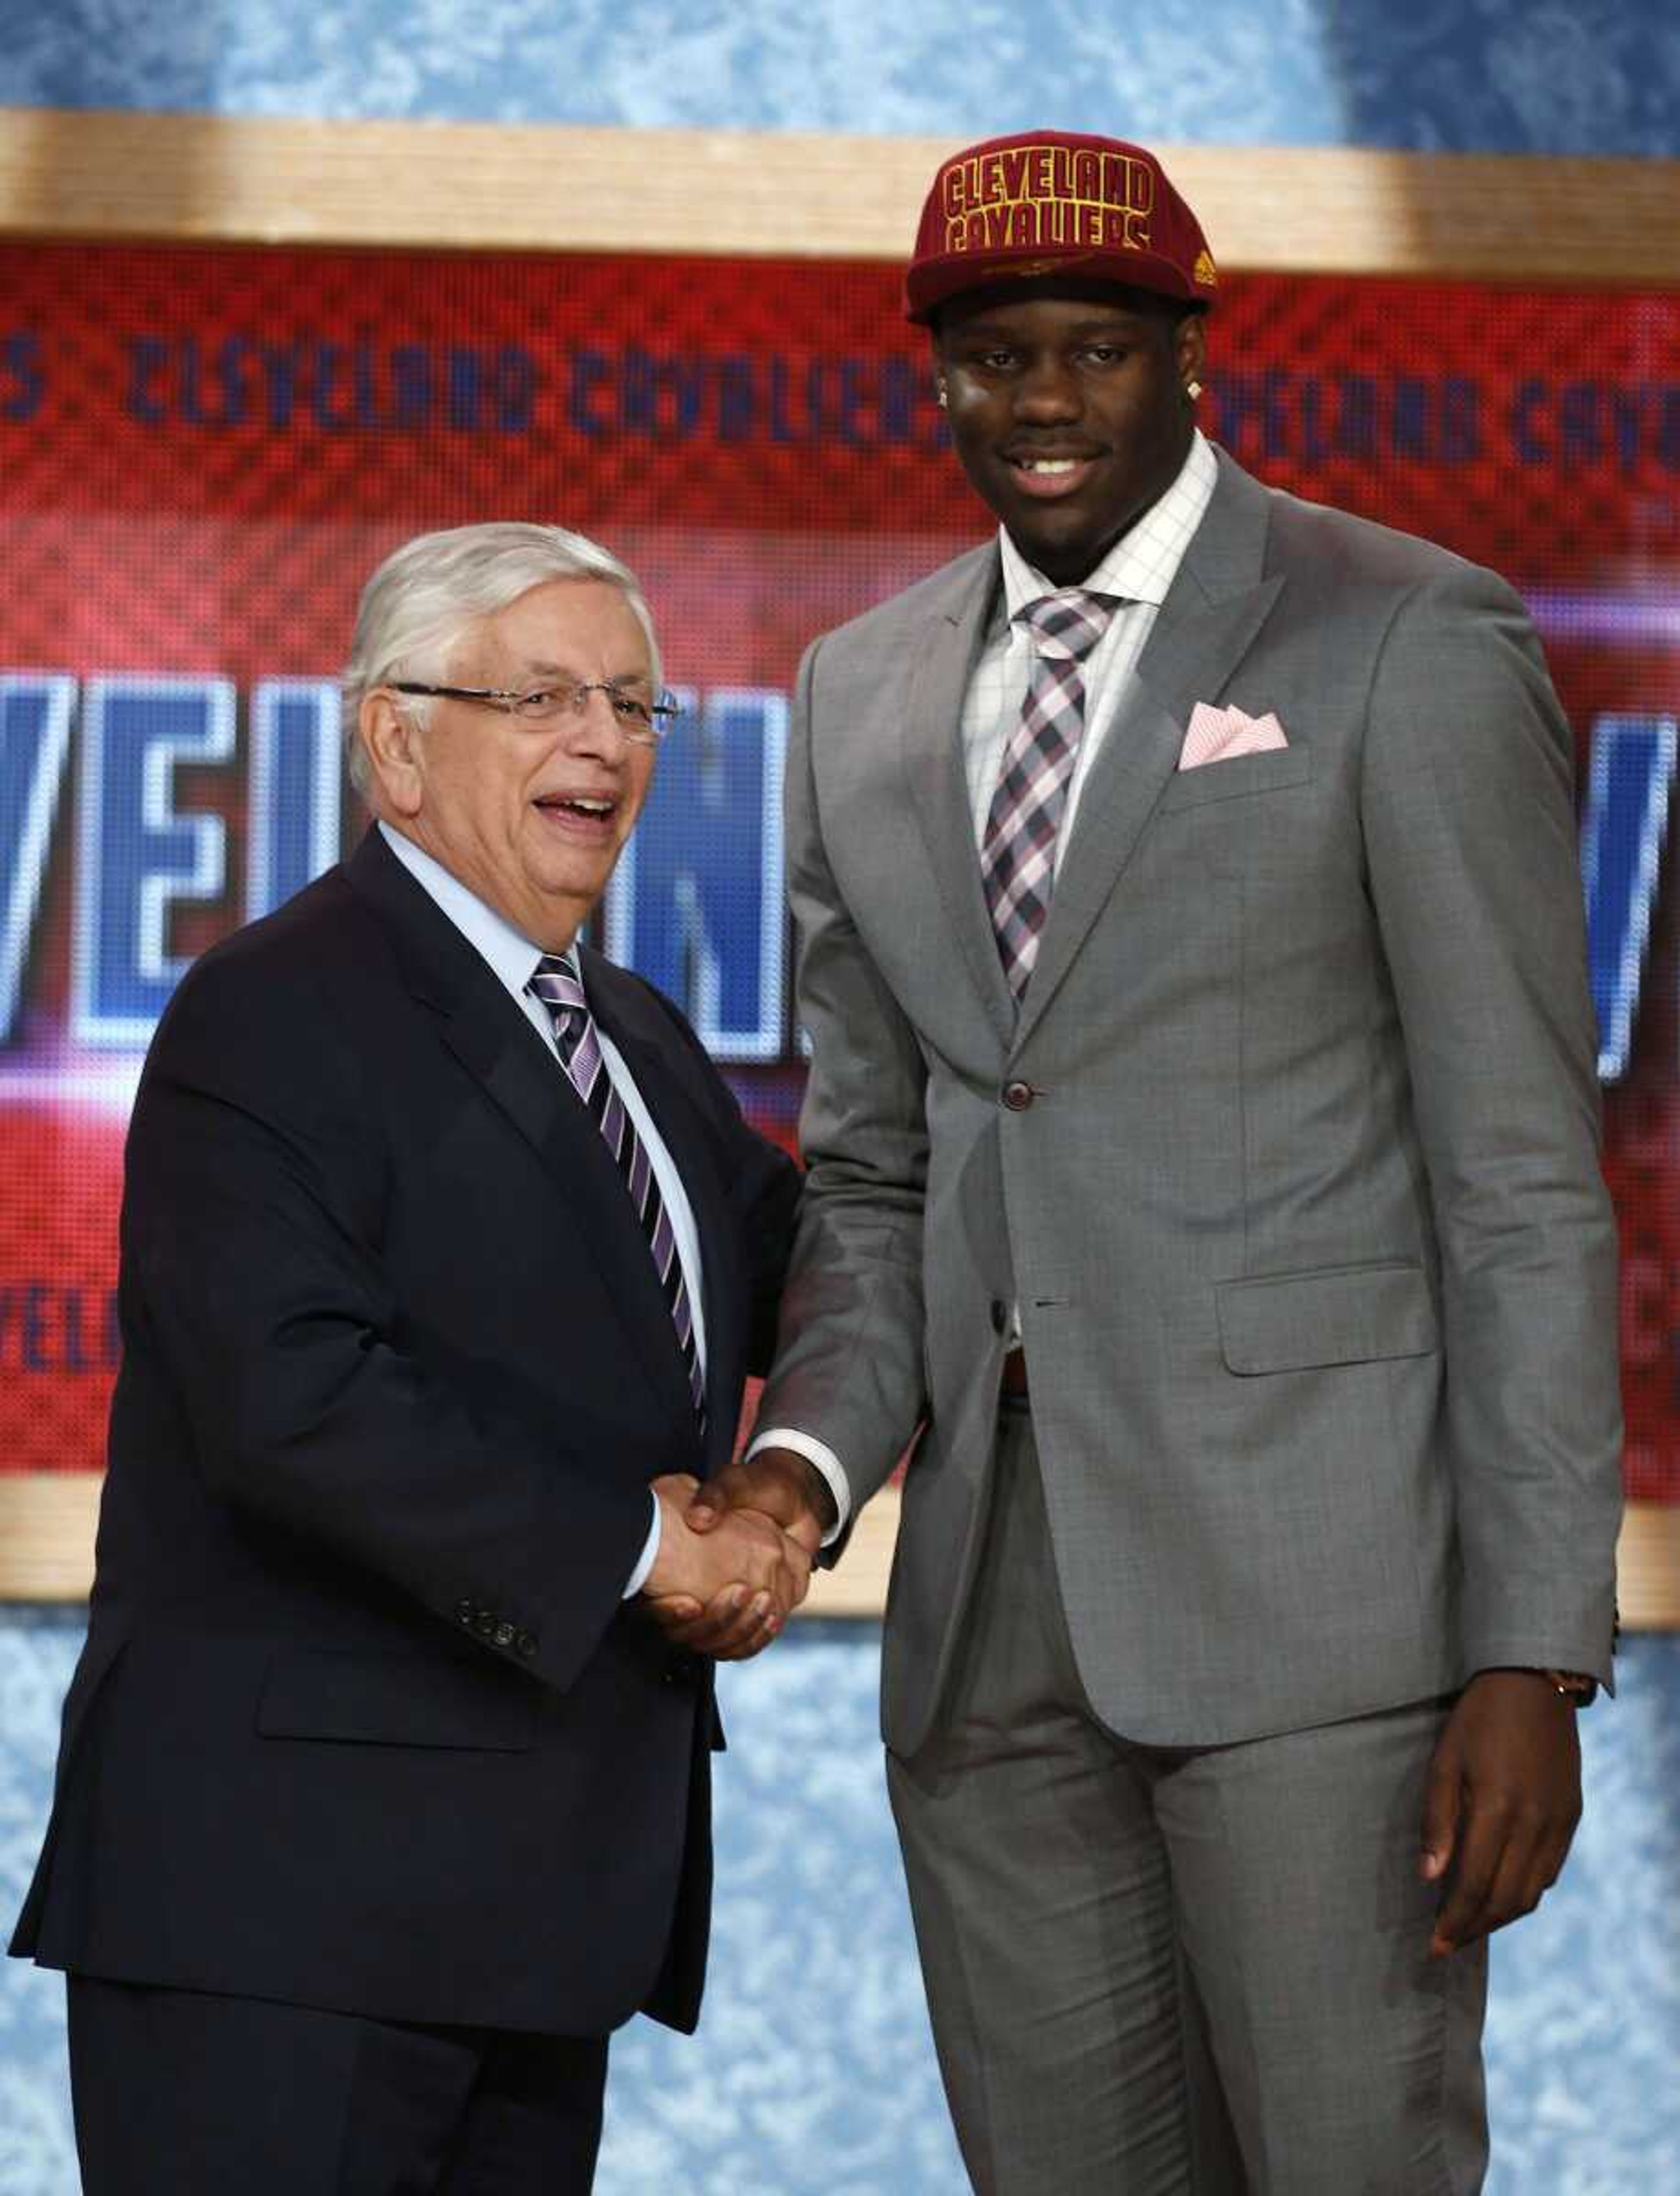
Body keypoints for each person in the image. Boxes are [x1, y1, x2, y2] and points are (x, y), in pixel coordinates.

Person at [684, 131, 1623, 2192]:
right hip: (990, 1633)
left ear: (1194, 354)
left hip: (1330, 1622)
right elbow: (874, 1174)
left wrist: (1533, 1643)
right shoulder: (862, 692)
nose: (1039, 402)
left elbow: (1520, 1172)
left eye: (1094, 352)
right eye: (993, 356)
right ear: (932, 373)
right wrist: (806, 1463)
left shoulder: (1403, 634)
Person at [10, 521, 806, 2193]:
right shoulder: (272, 1007)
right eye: (544, 697)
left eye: (635, 704)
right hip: (288, 1927)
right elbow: (295, 1403)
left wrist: (831, 1459)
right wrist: (664, 1548)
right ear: (394, 738)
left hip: (537, 1916)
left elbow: (818, 1266)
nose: (604, 739)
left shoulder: (637, 1036)